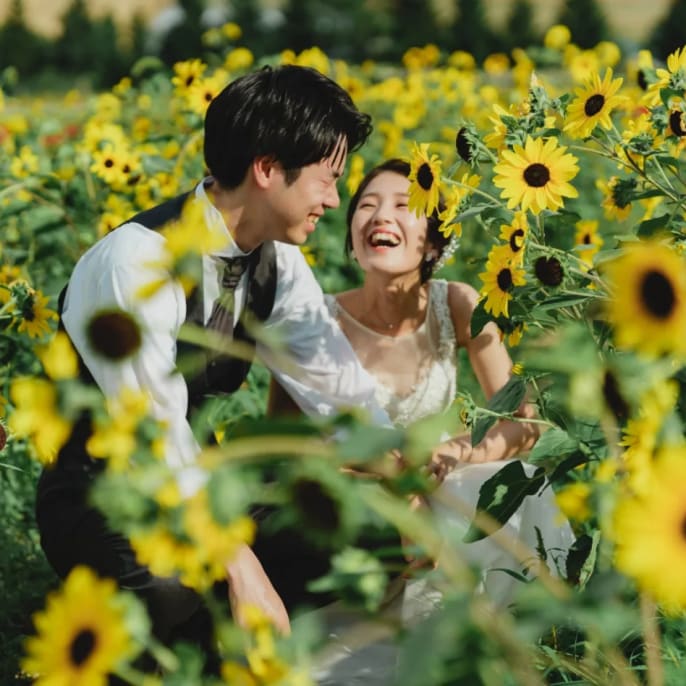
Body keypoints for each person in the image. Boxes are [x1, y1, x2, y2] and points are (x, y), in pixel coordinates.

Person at [34, 65, 396, 672]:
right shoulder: (134, 262)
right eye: (327, 179)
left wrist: (408, 480)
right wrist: (244, 569)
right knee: (171, 588)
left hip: (207, 490)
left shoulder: (277, 263)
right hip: (105, 499)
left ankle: (226, 633)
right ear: (266, 168)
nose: (335, 200)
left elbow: (342, 396)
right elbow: (155, 440)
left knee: (370, 532)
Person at [270, 158, 574, 683]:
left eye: (403, 206)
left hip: (442, 489)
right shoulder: (314, 322)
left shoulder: (457, 303)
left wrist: (451, 453)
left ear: (433, 239)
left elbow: (524, 421)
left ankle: (496, 647)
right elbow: (280, 451)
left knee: (513, 482)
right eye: (366, 205)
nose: (379, 216)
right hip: (354, 504)